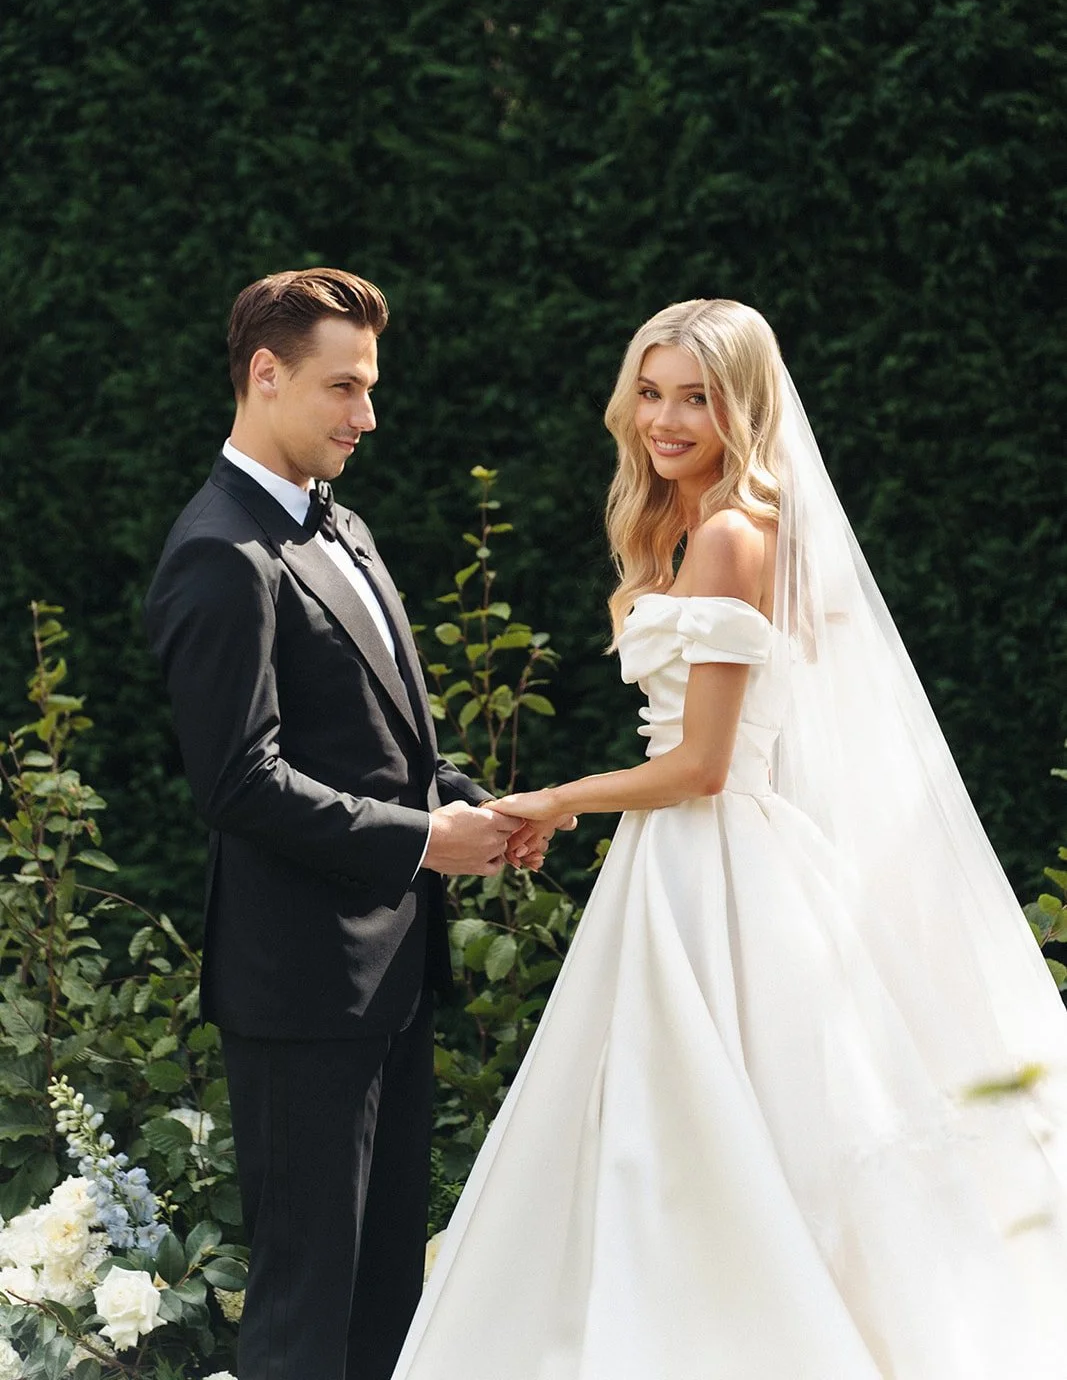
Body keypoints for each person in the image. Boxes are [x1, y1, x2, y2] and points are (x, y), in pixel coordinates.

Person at [391, 299, 1067, 1379]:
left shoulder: (727, 534)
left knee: (712, 1118)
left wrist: (559, 799)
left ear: (738, 404)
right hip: (683, 859)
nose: (663, 418)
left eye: (694, 397)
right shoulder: (695, 522)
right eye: (650, 391)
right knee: (674, 1123)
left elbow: (703, 763)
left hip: (713, 856)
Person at [144, 268, 558, 1380]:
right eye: (343, 387)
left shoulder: (343, 523)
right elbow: (237, 782)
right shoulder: (219, 554)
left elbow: (378, 742)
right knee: (305, 1305)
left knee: (384, 1295)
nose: (365, 415)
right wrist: (422, 841)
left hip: (389, 973)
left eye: (369, 388)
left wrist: (463, 796)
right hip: (299, 992)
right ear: (264, 374)